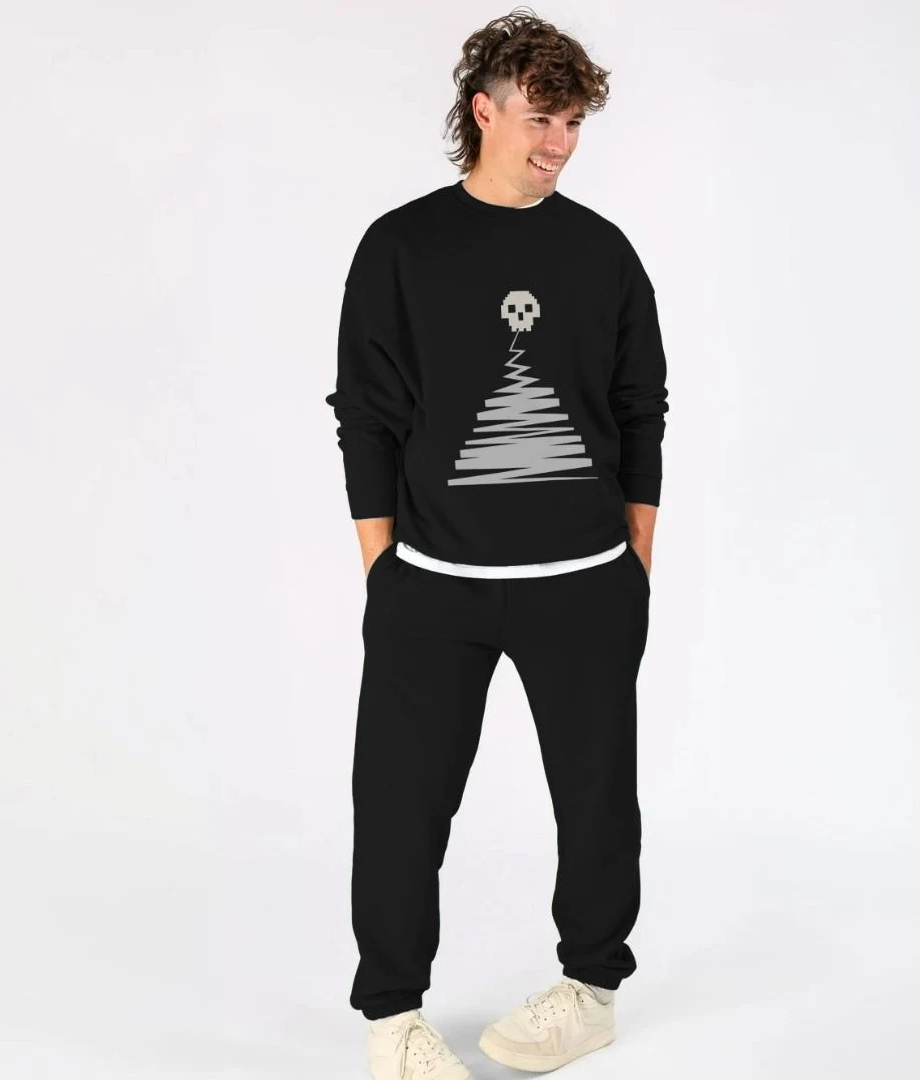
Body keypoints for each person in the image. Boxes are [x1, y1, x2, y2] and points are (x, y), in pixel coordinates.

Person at [325, 9, 669, 1078]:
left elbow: (641, 408)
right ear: (484, 110)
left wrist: (634, 560)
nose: (559, 143)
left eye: (573, 123)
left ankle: (592, 991)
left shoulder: (602, 252)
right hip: (433, 584)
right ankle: (393, 1019)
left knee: (598, 798)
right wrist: (384, 567)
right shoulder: (402, 247)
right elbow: (367, 413)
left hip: (586, 581)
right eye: (540, 118)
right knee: (399, 803)